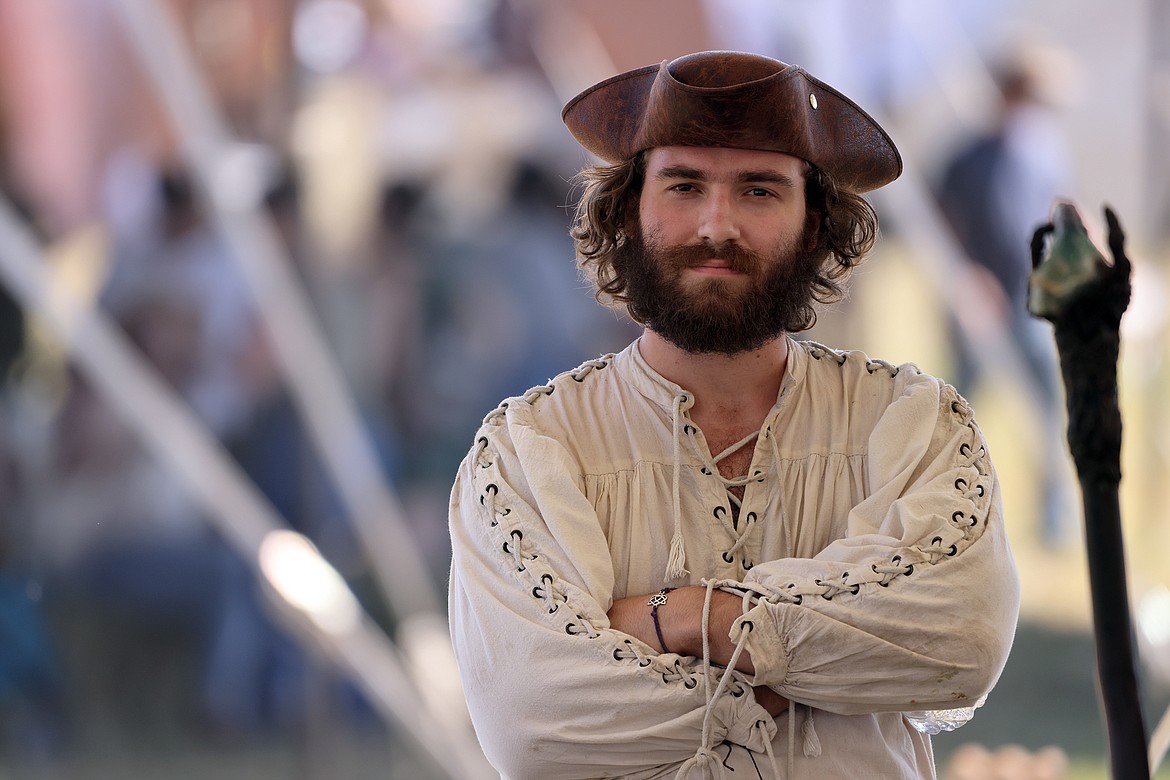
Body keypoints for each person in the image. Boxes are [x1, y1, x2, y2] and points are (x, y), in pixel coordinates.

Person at [448, 51, 1019, 778]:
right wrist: (812, 670)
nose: (717, 225)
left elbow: (959, 641)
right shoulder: (531, 449)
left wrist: (692, 616)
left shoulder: (909, 423)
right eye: (684, 185)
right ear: (630, 210)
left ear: (814, 223)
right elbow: (536, 718)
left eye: (758, 191)